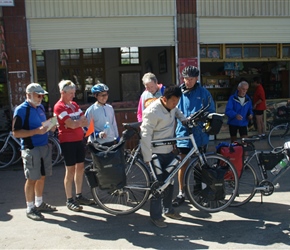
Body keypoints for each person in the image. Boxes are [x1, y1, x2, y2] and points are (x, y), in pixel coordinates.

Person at [140, 86, 187, 228]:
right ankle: (156, 216)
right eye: (173, 102)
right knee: (158, 185)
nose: (175, 105)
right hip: (155, 153)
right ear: (164, 99)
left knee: (170, 181)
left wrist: (184, 119)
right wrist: (147, 157)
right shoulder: (152, 111)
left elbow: (177, 112)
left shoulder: (172, 106)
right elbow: (145, 135)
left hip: (168, 150)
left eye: (177, 102)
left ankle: (169, 210)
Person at [12, 83, 57, 221]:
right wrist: (35, 131)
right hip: (31, 149)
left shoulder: (40, 107)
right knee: (31, 178)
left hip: (43, 147)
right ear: (29, 95)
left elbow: (44, 126)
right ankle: (30, 208)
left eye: (42, 95)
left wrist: (52, 125)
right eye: (38, 95)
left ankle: (39, 203)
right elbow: (16, 133)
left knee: (42, 176)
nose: (41, 98)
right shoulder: (21, 110)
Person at [173, 65, 215, 207]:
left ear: (196, 78)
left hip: (199, 134)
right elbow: (172, 112)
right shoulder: (178, 93)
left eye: (190, 79)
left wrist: (201, 118)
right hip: (183, 133)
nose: (187, 82)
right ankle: (181, 193)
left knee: (200, 165)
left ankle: (200, 192)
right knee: (182, 164)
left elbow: (211, 112)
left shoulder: (204, 93)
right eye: (185, 79)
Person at [54, 80, 94, 212]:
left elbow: (84, 121)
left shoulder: (74, 105)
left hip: (78, 140)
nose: (73, 96)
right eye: (70, 93)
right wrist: (76, 123)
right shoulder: (59, 106)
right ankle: (69, 199)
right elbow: (71, 124)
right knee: (70, 170)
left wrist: (74, 123)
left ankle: (79, 195)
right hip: (67, 142)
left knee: (80, 168)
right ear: (62, 92)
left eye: (74, 93)